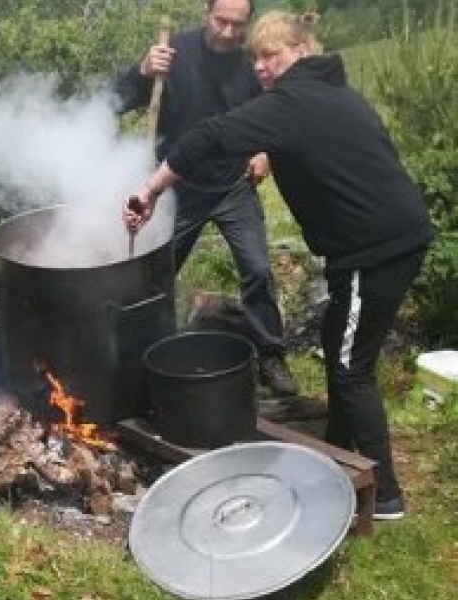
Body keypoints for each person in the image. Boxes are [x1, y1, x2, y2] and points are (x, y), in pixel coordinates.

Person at [124, 10, 434, 520]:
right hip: (388, 240)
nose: (263, 68)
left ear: (302, 50)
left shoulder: (292, 103)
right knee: (341, 344)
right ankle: (340, 448)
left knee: (351, 368)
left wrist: (150, 188)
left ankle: (387, 497)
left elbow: (207, 138)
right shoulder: (335, 92)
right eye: (257, 58)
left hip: (373, 251)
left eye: (273, 55)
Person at [115, 0, 298, 396]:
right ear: (206, 15)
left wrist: (263, 150)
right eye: (221, 22)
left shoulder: (252, 62)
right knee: (157, 275)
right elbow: (117, 99)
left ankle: (270, 354)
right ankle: (143, 353)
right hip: (177, 188)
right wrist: (142, 71)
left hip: (233, 185)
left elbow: (270, 113)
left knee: (258, 269)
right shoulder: (172, 53)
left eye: (238, 25)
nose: (229, 33)